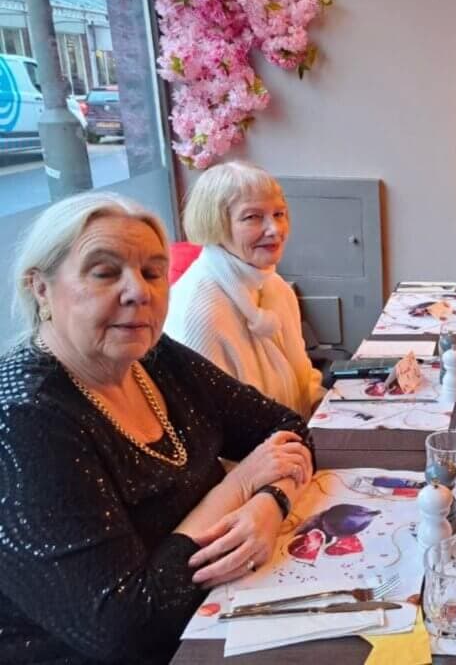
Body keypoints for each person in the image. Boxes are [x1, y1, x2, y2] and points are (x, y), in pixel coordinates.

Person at [0, 193, 315, 663]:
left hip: (212, 612)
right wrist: (240, 486)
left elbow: (285, 427)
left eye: (152, 272)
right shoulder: (23, 417)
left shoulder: (153, 355)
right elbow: (129, 630)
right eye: (105, 272)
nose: (139, 292)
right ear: (40, 288)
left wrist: (271, 503)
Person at [164, 161, 323, 418]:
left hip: (292, 440)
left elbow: (303, 378)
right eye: (253, 217)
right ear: (215, 224)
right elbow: (210, 429)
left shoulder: (275, 287)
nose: (275, 230)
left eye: (279, 214)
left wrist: (328, 409)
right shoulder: (199, 312)